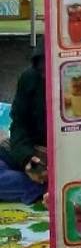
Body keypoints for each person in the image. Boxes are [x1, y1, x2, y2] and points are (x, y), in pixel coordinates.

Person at [0, 45, 47, 204]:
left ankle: (46, 188)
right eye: (42, 71)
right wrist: (27, 159)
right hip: (33, 154)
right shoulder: (30, 78)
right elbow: (19, 124)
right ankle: (40, 188)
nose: (45, 75)